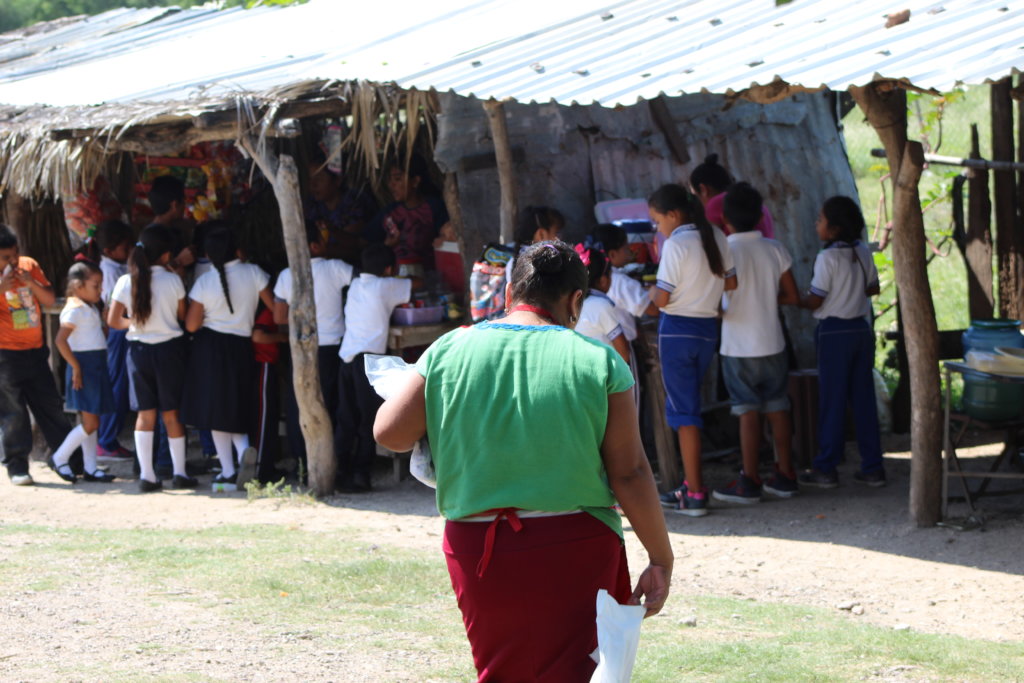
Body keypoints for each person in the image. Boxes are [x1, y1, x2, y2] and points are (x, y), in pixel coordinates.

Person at [374, 241, 673, 682]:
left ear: (511, 294)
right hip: (577, 545)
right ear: (575, 301)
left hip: (477, 548)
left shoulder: (449, 349)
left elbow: (389, 434)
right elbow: (628, 472)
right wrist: (660, 556)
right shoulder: (598, 359)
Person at [648, 184, 736, 517]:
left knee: (685, 416)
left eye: (657, 221)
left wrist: (651, 293)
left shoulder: (676, 244)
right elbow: (731, 283)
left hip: (677, 332)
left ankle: (695, 493)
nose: (658, 228)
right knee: (690, 408)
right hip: (706, 331)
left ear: (672, 215)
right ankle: (690, 485)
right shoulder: (715, 234)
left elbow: (663, 300)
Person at [709, 183, 799, 505]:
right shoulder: (775, 249)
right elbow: (792, 295)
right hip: (772, 341)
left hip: (737, 346)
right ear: (761, 214)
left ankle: (749, 479)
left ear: (723, 218)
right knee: (777, 407)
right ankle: (786, 474)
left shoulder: (722, 251)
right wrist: (763, 297)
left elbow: (712, 303)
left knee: (747, 411)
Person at [798, 196, 885, 488]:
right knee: (863, 401)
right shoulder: (861, 251)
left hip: (834, 332)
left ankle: (826, 467)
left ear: (834, 229)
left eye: (820, 220)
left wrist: (793, 298)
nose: (816, 224)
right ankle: (873, 467)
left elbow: (816, 299)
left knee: (832, 402)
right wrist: (851, 292)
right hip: (861, 330)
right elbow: (873, 288)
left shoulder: (828, 257)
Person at [182, 222, 272, 491]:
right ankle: (246, 455)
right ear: (238, 250)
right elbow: (275, 306)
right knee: (236, 406)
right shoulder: (254, 272)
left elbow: (191, 326)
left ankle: (228, 470)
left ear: (208, 255)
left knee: (215, 411)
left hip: (209, 349)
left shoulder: (204, 282)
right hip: (242, 348)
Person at [107, 225, 194, 492]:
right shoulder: (173, 281)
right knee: (171, 413)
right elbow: (181, 315)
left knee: (145, 415)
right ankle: (179, 473)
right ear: (166, 255)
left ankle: (147, 476)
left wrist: (134, 322)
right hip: (169, 351)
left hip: (139, 352)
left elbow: (112, 320)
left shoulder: (125, 281)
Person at [274, 222, 354, 470]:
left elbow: (278, 317)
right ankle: (334, 461)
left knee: (301, 403)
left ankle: (302, 460)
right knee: (331, 401)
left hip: (301, 348)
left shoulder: (287, 275)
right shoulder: (336, 267)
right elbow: (365, 282)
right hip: (332, 346)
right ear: (315, 245)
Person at [335, 244, 412, 492]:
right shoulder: (385, 286)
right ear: (388, 269)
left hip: (346, 358)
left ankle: (340, 471)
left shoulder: (355, 284)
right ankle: (360, 474)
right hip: (369, 362)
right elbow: (416, 285)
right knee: (369, 419)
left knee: (346, 418)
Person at [0, 224, 72, 486]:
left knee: (50, 406)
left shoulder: (29, 266)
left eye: (14, 254)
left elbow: (50, 300)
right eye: (6, 257)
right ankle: (17, 466)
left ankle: (68, 459)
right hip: (5, 355)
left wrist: (29, 281)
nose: (12, 261)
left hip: (36, 350)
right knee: (13, 413)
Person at [49, 261, 117, 484]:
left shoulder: (88, 307)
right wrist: (76, 366)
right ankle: (60, 458)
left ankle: (90, 467)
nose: (99, 290)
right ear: (78, 286)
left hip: (95, 364)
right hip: (85, 367)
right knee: (90, 423)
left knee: (92, 417)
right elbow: (60, 340)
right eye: (95, 285)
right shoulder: (75, 309)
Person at [85, 219, 137, 460]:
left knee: (121, 385)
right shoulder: (109, 272)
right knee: (117, 385)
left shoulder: (116, 267)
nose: (129, 253)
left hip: (121, 330)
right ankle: (105, 440)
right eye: (125, 248)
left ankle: (108, 438)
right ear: (109, 250)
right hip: (118, 332)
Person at [369, 153, 448, 276]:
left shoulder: (434, 208)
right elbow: (365, 243)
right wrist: (386, 246)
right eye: (390, 180)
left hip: (430, 278)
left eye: (397, 179)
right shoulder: (388, 213)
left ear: (415, 181)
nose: (391, 185)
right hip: (396, 281)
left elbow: (448, 238)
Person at [305, 149, 377, 265]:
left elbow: (354, 248)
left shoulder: (355, 202)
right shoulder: (313, 205)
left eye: (319, 179)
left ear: (337, 180)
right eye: (310, 179)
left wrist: (323, 248)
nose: (313, 185)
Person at [690, 153, 775, 238]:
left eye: (696, 196)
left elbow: (711, 240)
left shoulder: (716, 203)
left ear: (703, 189)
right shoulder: (757, 204)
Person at [573, 244, 630, 366]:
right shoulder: (601, 305)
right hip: (604, 376)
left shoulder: (571, 304)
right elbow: (624, 352)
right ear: (603, 280)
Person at [251, 298, 286, 483]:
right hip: (263, 365)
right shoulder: (269, 312)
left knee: (270, 417)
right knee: (264, 418)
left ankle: (267, 466)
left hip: (269, 366)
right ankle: (260, 470)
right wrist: (282, 338)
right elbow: (258, 336)